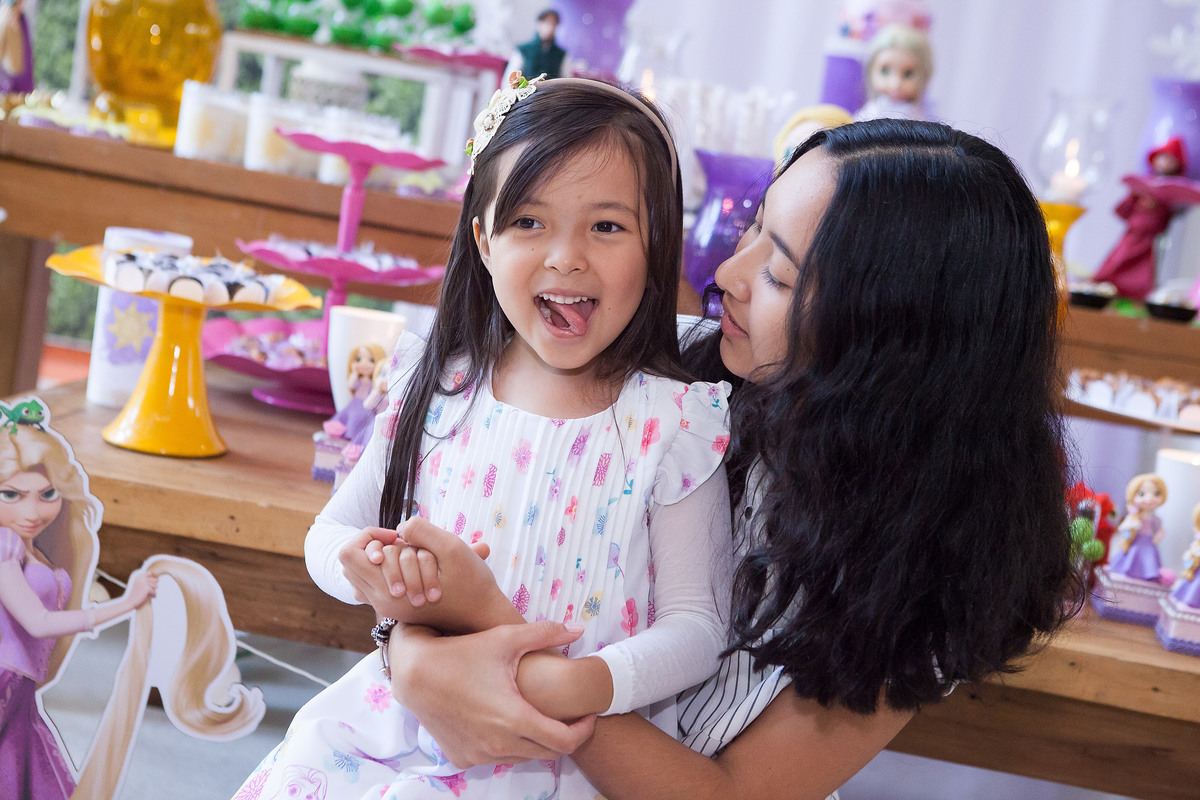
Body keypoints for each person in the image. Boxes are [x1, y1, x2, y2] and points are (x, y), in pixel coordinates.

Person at [341, 118, 1082, 799]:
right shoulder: (666, 377)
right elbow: (447, 519)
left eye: (781, 276)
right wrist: (408, 649)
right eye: (752, 227)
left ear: (894, 340)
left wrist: (500, 651)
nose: (728, 273)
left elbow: (729, 795)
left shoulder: (931, 574)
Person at [232, 73, 732, 799]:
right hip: (400, 728)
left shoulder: (674, 424)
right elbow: (331, 531)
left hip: (565, 761)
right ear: (484, 240)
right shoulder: (436, 386)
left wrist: (581, 683)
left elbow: (697, 627)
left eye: (607, 225)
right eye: (528, 222)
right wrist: (363, 564)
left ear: (657, 247)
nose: (567, 256)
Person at [0, 402, 263, 799]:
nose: (33, 511)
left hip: (19, 690)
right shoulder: (4, 544)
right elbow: (37, 623)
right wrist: (126, 603)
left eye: (48, 494)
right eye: (12, 495)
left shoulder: (31, 547)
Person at [1092, 138, 1200, 299]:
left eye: (1170, 160)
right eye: (1162, 158)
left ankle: (1134, 294)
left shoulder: (1169, 194)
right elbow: (1122, 210)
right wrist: (1137, 198)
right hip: (1133, 232)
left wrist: (1160, 208)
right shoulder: (1142, 187)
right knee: (1120, 257)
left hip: (1148, 237)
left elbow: (1164, 223)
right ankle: (1104, 286)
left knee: (1143, 267)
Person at [854, 24, 933, 122]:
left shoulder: (915, 116)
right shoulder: (872, 110)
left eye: (908, 74)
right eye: (885, 71)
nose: (895, 84)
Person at [1107, 473, 1168, 582]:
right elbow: (1125, 529)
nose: (1149, 499)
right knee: (1131, 557)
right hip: (1136, 542)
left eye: (1156, 493)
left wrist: (1159, 535)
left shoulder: (1155, 520)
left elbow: (1160, 530)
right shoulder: (1134, 518)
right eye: (1141, 494)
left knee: (1148, 560)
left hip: (1149, 544)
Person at [506, 8, 571, 79]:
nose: (550, 27)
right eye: (547, 23)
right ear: (539, 24)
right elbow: (510, 79)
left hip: (551, 90)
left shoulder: (561, 54)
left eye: (554, 24)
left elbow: (566, 80)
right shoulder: (523, 50)